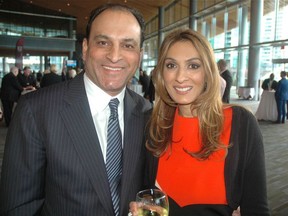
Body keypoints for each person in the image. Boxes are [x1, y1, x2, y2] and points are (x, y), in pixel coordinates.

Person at [0, 3, 155, 216]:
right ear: (85, 48)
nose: (114, 55)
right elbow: (19, 208)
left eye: (128, 45)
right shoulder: (35, 111)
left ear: (139, 54)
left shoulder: (146, 112)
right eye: (103, 42)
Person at [129, 29, 270, 216]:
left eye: (193, 66)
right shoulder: (152, 125)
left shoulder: (241, 123)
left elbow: (257, 208)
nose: (180, 77)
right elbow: (145, 197)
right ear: (161, 73)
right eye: (171, 65)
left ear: (208, 71)